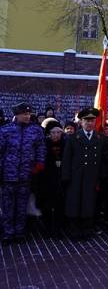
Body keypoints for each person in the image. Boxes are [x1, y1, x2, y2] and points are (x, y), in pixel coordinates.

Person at [0, 102, 45, 245]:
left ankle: (19, 232)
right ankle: (8, 233)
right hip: (8, 175)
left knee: (21, 206)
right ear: (16, 115)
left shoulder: (36, 130)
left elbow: (41, 149)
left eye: (29, 114)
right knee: (7, 206)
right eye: (24, 114)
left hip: (26, 175)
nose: (27, 116)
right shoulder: (5, 130)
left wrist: (39, 164)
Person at [62, 108, 103, 240]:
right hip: (76, 177)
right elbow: (67, 159)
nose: (90, 123)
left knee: (88, 203)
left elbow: (102, 159)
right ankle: (74, 230)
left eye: (92, 120)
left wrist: (101, 177)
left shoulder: (99, 138)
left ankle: (86, 230)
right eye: (86, 120)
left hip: (92, 177)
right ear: (81, 122)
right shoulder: (74, 138)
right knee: (75, 203)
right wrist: (66, 177)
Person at [38, 119, 66, 237]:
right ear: (49, 134)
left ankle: (58, 229)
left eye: (58, 132)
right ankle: (47, 228)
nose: (56, 135)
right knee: (47, 206)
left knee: (59, 206)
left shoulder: (65, 144)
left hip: (61, 180)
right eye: (53, 133)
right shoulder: (44, 144)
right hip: (46, 180)